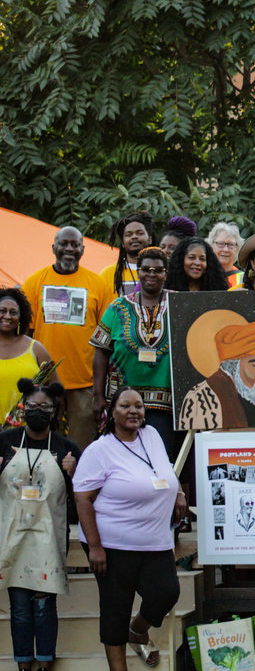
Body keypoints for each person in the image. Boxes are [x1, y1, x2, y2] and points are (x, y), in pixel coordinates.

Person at [73, 387, 187, 671]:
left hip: (155, 539)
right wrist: (96, 547)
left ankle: (137, 630)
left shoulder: (152, 436)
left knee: (166, 592)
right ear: (111, 413)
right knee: (116, 606)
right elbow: (83, 498)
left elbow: (163, 468)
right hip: (112, 543)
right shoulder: (99, 450)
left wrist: (177, 492)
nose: (133, 411)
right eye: (125, 406)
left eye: (139, 406)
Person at [0, 379, 79, 671]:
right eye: (31, 406)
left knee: (45, 605)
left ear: (54, 411)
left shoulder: (66, 447)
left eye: (44, 407)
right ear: (22, 408)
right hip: (11, 534)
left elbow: (79, 497)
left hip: (48, 536)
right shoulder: (5, 440)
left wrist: (74, 473)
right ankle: (23, 661)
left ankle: (45, 660)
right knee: (19, 606)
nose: (37, 411)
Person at [24, 226, 112, 449]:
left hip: (85, 382)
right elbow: (27, 334)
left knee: (81, 447)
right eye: (64, 244)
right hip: (44, 382)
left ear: (83, 249)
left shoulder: (98, 284)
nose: (69, 249)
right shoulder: (34, 282)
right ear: (53, 247)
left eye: (75, 244)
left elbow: (107, 336)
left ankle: (79, 485)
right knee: (43, 444)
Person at [91, 247, 176, 456]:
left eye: (158, 270)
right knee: (122, 456)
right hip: (121, 402)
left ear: (166, 273)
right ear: (138, 272)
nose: (151, 274)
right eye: (146, 269)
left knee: (161, 457)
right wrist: (98, 396)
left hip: (166, 404)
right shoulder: (118, 307)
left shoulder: (179, 304)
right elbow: (101, 352)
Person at [0, 288, 54, 419]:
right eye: (2, 311)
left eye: (13, 312)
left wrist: (36, 409)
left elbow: (54, 389)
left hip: (27, 429)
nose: (7, 316)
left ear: (21, 317)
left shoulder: (36, 348)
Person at [101, 211, 154, 297]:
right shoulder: (108, 274)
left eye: (139, 233)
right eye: (128, 235)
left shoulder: (160, 271)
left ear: (150, 239)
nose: (134, 237)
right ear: (122, 243)